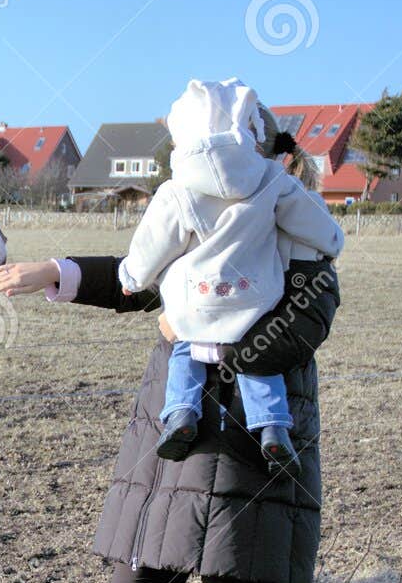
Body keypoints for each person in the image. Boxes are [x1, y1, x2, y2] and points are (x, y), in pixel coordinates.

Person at [0, 115, 341, 583]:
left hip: (252, 449)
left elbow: (313, 313)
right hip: (171, 445)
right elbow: (135, 275)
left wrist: (210, 330)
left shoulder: (288, 216)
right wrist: (53, 272)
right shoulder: (189, 206)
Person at [117, 78, 343, 473]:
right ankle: (273, 428)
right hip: (255, 301)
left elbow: (153, 243)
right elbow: (314, 224)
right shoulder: (274, 181)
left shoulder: (177, 190)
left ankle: (181, 414)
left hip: (195, 303)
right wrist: (334, 240)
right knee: (260, 365)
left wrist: (131, 277)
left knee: (185, 353)